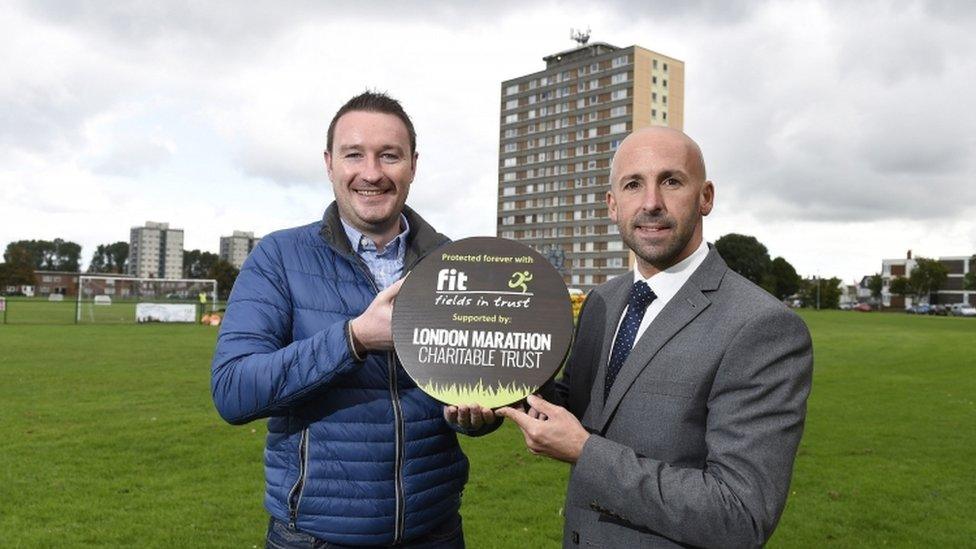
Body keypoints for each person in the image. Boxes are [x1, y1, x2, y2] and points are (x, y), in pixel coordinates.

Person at [498, 127, 813, 548]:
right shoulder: (601, 303)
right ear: (612, 205)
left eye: (671, 181)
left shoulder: (761, 326)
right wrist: (499, 390)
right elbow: (574, 408)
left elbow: (741, 513)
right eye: (633, 184)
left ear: (705, 197)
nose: (651, 203)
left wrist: (584, 452)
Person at [211, 91, 496, 548]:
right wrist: (355, 338)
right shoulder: (279, 257)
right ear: (329, 164)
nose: (372, 173)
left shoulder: (454, 263)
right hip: (315, 538)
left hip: (434, 531)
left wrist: (476, 415)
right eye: (354, 154)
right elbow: (232, 390)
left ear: (413, 165)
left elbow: (472, 380)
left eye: (389, 156)